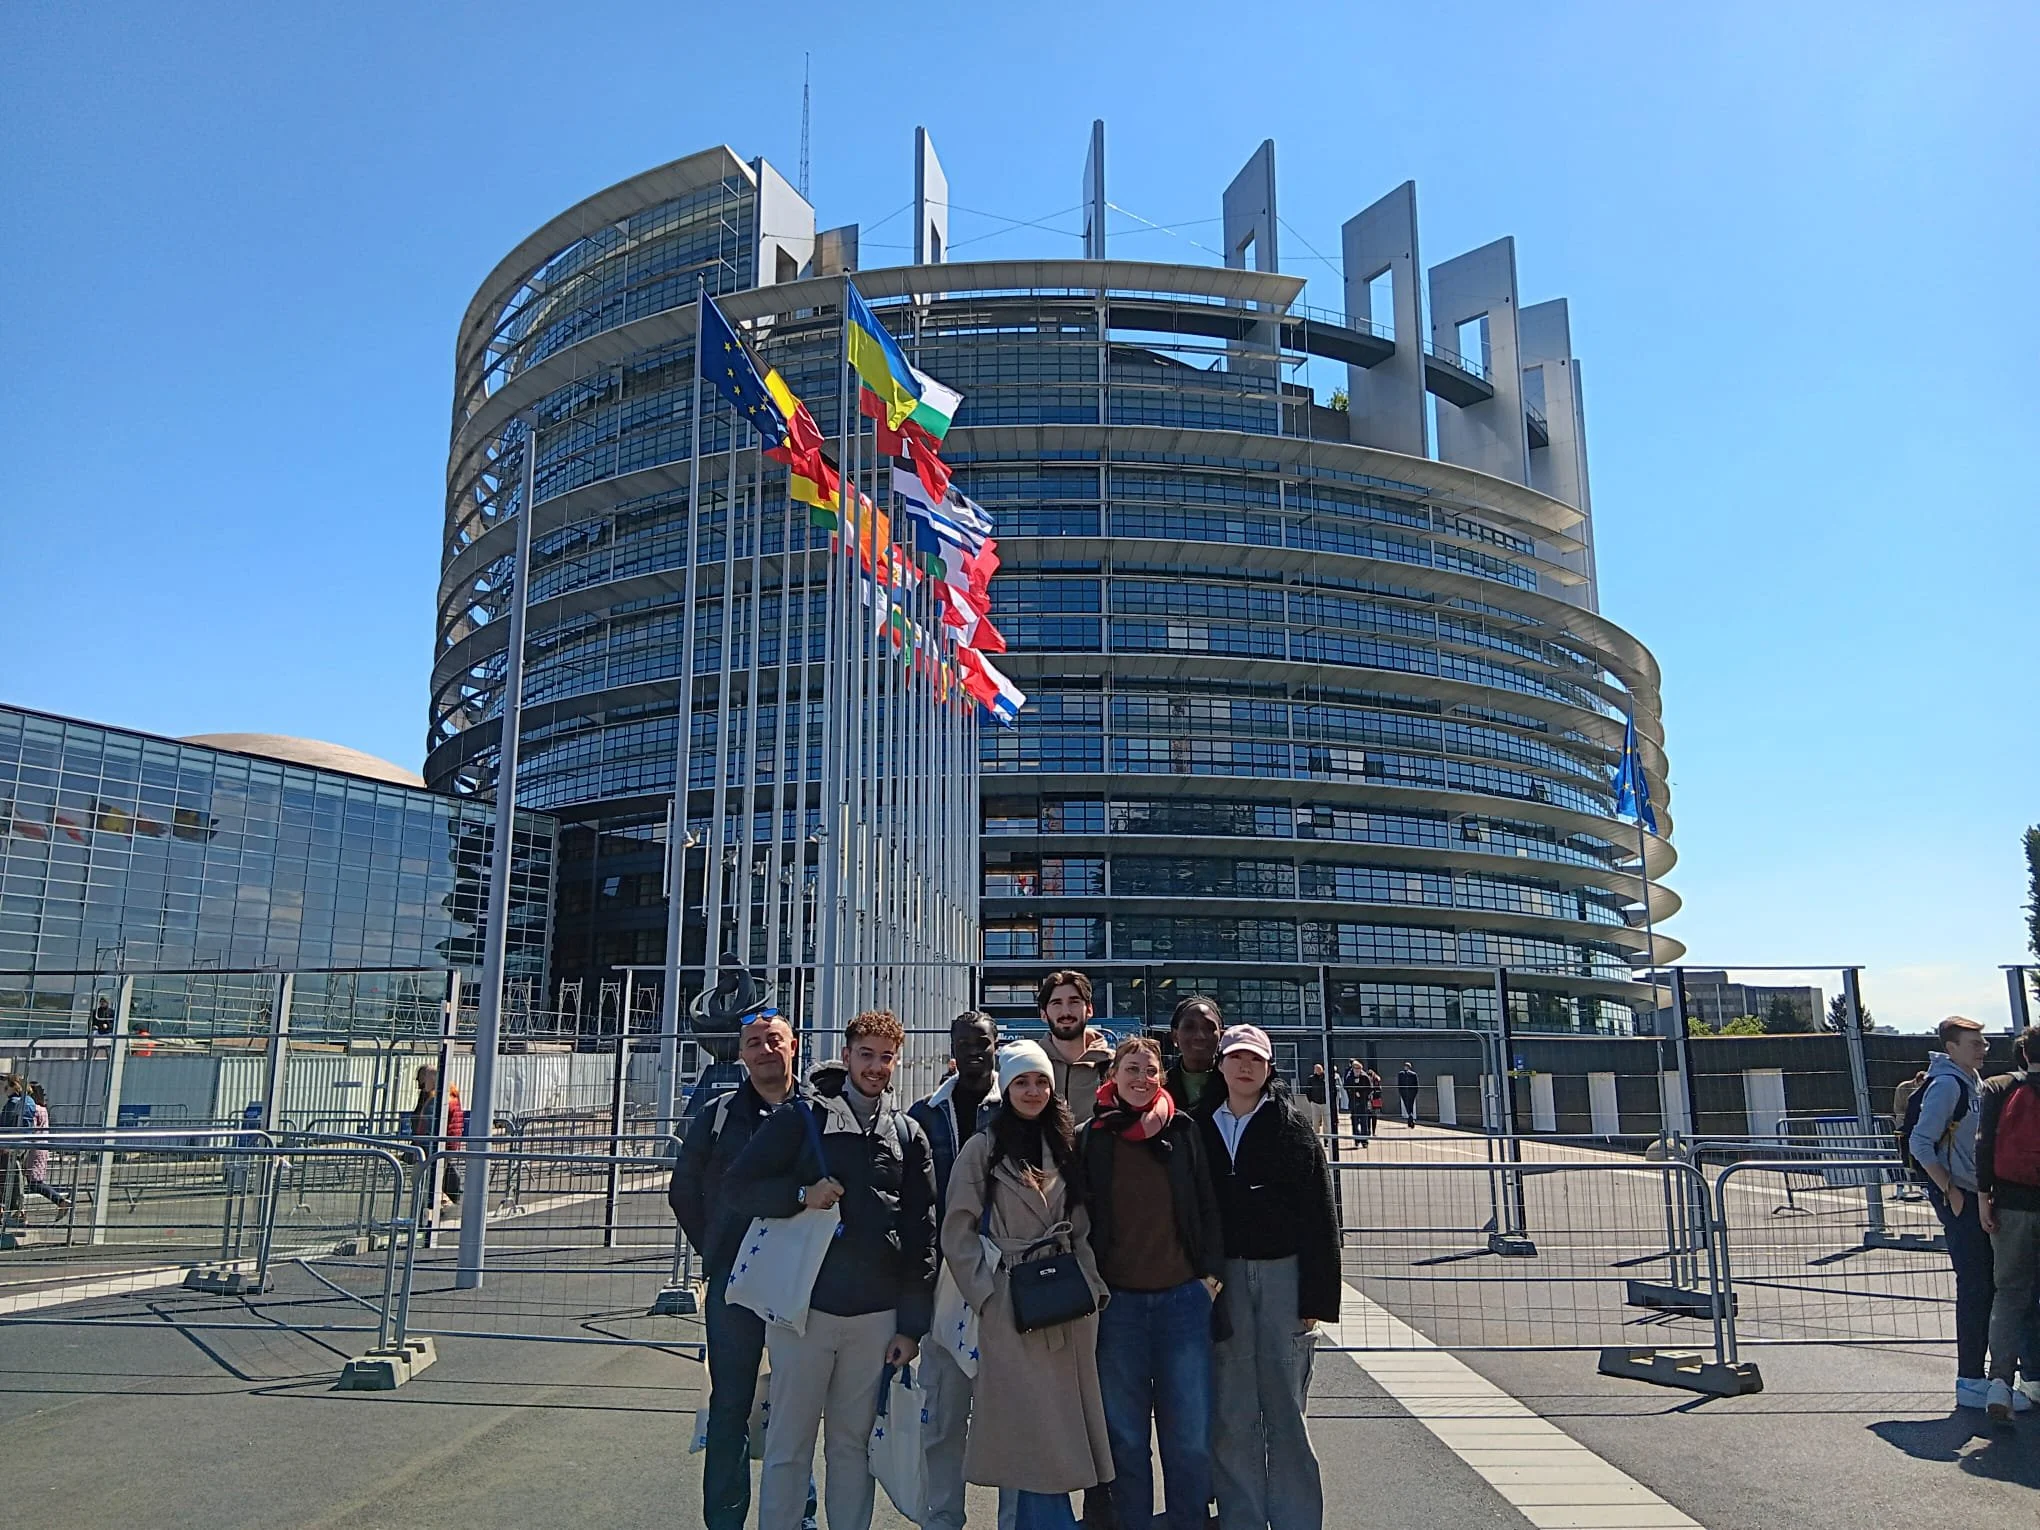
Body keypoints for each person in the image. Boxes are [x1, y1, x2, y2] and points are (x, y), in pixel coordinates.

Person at [726, 1009, 938, 1530]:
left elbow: (922, 1233)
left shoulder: (907, 1134)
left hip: (876, 1318)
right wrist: (801, 1195)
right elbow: (736, 1188)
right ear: (846, 1056)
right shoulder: (800, 1119)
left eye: (886, 1057)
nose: (875, 1067)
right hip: (803, 1312)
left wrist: (912, 1327)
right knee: (789, 1445)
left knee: (852, 1447)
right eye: (865, 1055)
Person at [942, 1041, 1114, 1529]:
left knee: (1060, 1434)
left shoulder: (1065, 1144)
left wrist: (1092, 1286)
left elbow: (1081, 1225)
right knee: (1034, 1439)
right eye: (1022, 1082)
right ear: (1006, 1088)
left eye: (1041, 1081)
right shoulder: (983, 1148)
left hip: (1068, 1304)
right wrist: (987, 1296)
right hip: (1012, 1305)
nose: (1033, 1091)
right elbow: (957, 1230)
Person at [668, 1009, 820, 1530]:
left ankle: (795, 1515)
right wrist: (716, 1250)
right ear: (741, 1054)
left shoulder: (819, 1112)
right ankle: (725, 1519)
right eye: (753, 1042)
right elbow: (683, 1190)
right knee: (731, 1403)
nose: (764, 1049)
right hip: (735, 1283)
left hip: (802, 1281)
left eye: (774, 1039)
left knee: (795, 1407)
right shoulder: (718, 1115)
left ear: (793, 1046)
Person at [1199, 1025, 1341, 1530]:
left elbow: (1321, 1214)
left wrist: (1317, 1298)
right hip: (1225, 1280)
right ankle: (1241, 1516)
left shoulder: (1291, 1126)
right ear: (1220, 1064)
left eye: (1255, 1060)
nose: (1245, 1067)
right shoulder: (1199, 1125)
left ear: (1269, 1067)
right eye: (1236, 1057)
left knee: (1285, 1407)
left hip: (1285, 1275)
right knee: (1232, 1409)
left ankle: (1296, 1518)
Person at [1080, 1036, 1224, 1530]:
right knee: (1125, 1439)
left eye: (1150, 1070)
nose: (1141, 1078)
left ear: (1161, 1076)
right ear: (1113, 1077)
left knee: (1189, 1437)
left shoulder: (1182, 1130)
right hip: (1117, 1306)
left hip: (1182, 1302)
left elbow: (1207, 1203)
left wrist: (1209, 1279)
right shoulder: (1093, 1136)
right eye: (1131, 1069)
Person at [910, 1012, 1017, 1530]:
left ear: (997, 1046)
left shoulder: (1019, 1107)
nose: (973, 1052)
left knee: (1011, 1419)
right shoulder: (925, 1114)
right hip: (944, 1283)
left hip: (1007, 1282)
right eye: (963, 1044)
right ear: (951, 1049)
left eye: (982, 1043)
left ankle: (1014, 1521)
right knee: (943, 1415)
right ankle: (942, 1518)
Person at [1909, 1015, 1994, 1409]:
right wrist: (1950, 1191)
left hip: (1975, 1194)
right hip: (1960, 1197)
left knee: (1986, 1284)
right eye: (1974, 1043)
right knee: (1975, 1285)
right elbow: (1920, 1142)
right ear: (1951, 1048)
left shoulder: (1971, 1081)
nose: (1982, 1049)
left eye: (1984, 1043)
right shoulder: (1947, 1085)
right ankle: (1971, 1378)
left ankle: (1983, 1375)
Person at [1976, 1025, 2040, 1420]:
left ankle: (2000, 1382)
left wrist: (1984, 1197)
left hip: (2012, 1204)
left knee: (2010, 1294)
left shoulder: (1998, 1087)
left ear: (2024, 1055)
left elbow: (1983, 1144)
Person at [1040, 970, 1114, 1125]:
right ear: (1043, 1014)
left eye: (1074, 1002)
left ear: (1089, 1010)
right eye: (1056, 1003)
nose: (1066, 1012)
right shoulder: (1030, 1066)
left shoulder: (1115, 1067)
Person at [410, 1065, 462, 1207]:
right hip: (445, 1144)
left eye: (422, 1080)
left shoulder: (437, 1100)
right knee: (434, 1178)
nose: (420, 1086)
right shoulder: (450, 1096)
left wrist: (421, 1145)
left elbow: (429, 1124)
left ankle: (438, 1205)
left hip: (435, 1146)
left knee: (423, 1178)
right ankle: (439, 1204)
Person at [1163, 995, 1222, 1112]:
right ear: (1175, 1036)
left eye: (1209, 1028)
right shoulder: (1160, 1087)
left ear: (1221, 1035)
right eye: (1189, 1027)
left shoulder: (1237, 1086)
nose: (1199, 1036)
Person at [19, 1083, 70, 1210]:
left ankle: (60, 1201)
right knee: (33, 1180)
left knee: (34, 1182)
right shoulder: (43, 1109)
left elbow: (31, 1127)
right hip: (42, 1146)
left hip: (33, 1148)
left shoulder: (34, 1109)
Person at [1339, 1061, 1369, 1142]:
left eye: (1359, 1069)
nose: (1357, 1070)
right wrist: (1353, 1092)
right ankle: (1357, 1138)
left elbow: (1369, 1088)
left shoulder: (1364, 1077)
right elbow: (1346, 1087)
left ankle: (1364, 1140)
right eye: (1356, 1069)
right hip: (1353, 1102)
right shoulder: (1349, 1077)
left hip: (1363, 1103)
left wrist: (1362, 1094)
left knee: (1364, 1121)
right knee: (1354, 1121)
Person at [1396, 1063, 1420, 1128]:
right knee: (1410, 1105)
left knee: (1407, 1106)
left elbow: (1399, 1084)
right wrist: (1415, 1093)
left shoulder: (1401, 1074)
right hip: (1412, 1093)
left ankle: (1410, 1117)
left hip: (1404, 1093)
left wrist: (1400, 1092)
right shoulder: (1414, 1074)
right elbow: (1416, 1085)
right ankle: (1410, 1120)